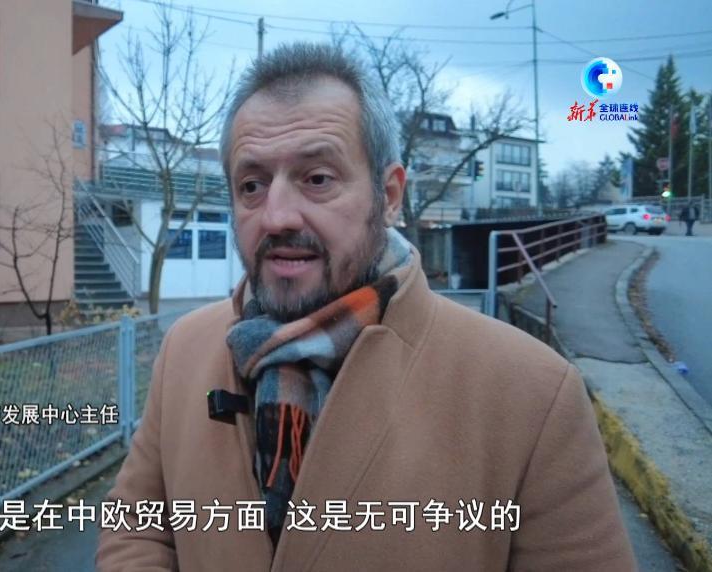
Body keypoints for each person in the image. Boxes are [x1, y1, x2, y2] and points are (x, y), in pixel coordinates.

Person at [97, 43, 634, 571]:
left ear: (390, 195)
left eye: (317, 179)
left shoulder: (533, 393)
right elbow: (136, 527)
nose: (277, 216)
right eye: (252, 185)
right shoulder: (186, 350)